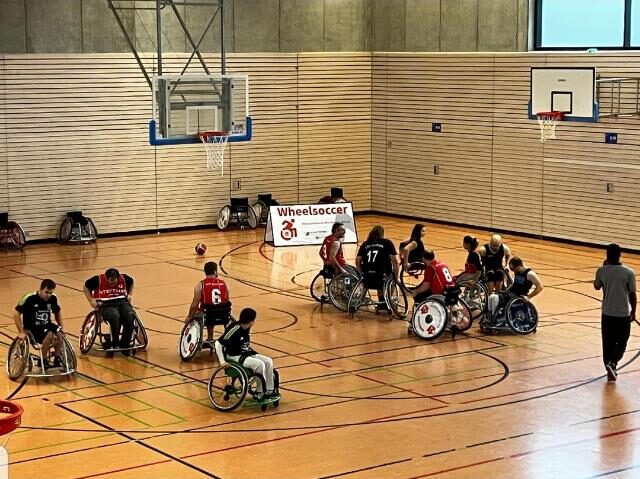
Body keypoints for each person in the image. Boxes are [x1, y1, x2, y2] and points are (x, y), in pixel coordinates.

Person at [594, 243, 637, 382]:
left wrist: (604, 269)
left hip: (607, 313)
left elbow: (596, 286)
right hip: (623, 314)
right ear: (620, 255)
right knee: (622, 341)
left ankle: (609, 366)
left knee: (607, 342)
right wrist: (634, 311)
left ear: (607, 255)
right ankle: (613, 363)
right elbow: (632, 294)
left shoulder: (601, 271)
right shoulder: (629, 272)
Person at [215, 308, 276, 399]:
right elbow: (218, 343)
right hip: (235, 356)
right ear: (251, 321)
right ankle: (259, 391)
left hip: (246, 353)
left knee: (268, 361)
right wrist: (222, 362)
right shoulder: (234, 328)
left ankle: (269, 389)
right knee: (259, 364)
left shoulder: (247, 327)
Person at [83, 268, 136, 355]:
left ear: (118, 277)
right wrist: (91, 300)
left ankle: (125, 344)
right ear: (106, 278)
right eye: (111, 281)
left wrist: (130, 294)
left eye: (114, 281)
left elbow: (132, 282)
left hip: (122, 302)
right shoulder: (97, 280)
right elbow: (86, 287)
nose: (113, 283)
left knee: (130, 316)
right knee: (114, 316)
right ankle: (114, 342)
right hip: (106, 304)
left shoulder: (124, 278)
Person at [14, 279, 65, 368]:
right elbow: (16, 313)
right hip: (32, 328)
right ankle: (43, 360)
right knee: (49, 334)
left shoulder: (53, 298)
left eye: (51, 293)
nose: (48, 295)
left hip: (46, 325)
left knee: (60, 334)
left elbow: (57, 312)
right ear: (40, 289)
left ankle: (57, 358)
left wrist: (61, 326)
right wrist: (21, 331)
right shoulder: (29, 298)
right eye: (46, 292)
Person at [185, 261, 232, 346]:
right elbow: (227, 300)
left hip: (208, 316)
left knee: (200, 313)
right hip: (223, 315)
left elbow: (195, 305)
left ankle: (205, 340)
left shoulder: (200, 285)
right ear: (215, 271)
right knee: (216, 310)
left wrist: (189, 317)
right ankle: (227, 338)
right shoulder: (224, 284)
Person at [356, 225, 400, 310]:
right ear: (382, 234)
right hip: (382, 275)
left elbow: (358, 261)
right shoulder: (387, 243)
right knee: (391, 280)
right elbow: (395, 262)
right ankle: (387, 300)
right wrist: (396, 278)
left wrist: (360, 274)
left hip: (367, 275)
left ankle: (381, 301)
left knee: (376, 277)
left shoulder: (365, 244)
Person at [487, 256, 543, 320]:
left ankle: (494, 318)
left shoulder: (530, 274)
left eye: (513, 269)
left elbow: (540, 286)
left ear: (519, 266)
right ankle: (490, 316)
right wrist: (507, 289)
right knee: (491, 296)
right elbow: (515, 284)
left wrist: (529, 297)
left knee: (495, 298)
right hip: (511, 293)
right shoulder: (518, 271)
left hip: (518, 296)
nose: (513, 271)